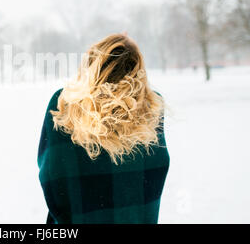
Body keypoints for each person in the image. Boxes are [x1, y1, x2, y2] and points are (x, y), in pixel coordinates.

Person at [37, 33, 169, 224]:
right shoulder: (150, 107)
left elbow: (52, 176)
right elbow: (154, 175)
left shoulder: (64, 104)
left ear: (90, 67)